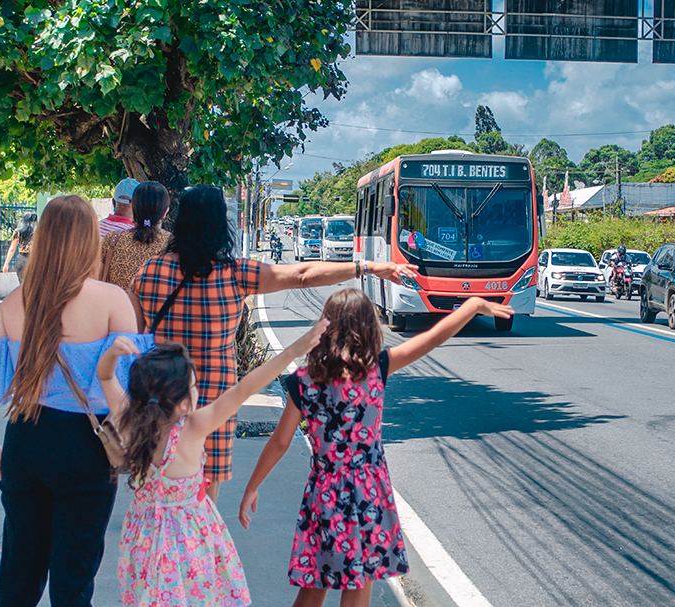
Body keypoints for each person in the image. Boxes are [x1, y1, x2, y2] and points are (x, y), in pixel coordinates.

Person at [129, 185, 417, 502]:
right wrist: (368, 267)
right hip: (216, 402)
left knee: (153, 493)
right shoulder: (236, 274)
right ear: (220, 224)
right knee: (204, 503)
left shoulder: (149, 273)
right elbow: (303, 274)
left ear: (180, 220)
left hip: (160, 401)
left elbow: (133, 340)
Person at [239, 289, 513, 607]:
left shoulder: (305, 381)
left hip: (325, 494)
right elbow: (433, 338)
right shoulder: (376, 368)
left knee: (315, 582)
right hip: (369, 491)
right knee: (360, 582)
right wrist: (472, 306)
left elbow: (280, 442)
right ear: (368, 328)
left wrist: (252, 487)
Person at [0, 196, 150, 607]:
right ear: (90, 241)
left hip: (25, 439)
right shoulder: (113, 300)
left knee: (18, 570)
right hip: (87, 447)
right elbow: (128, 388)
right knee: (73, 577)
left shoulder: (16, 301)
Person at [97, 321, 328, 607]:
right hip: (190, 537)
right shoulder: (193, 427)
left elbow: (105, 377)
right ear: (183, 403)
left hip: (145, 537)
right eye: (194, 387)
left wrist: (111, 355)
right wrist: (292, 351)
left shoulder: (129, 422)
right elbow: (244, 389)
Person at [100, 181, 172, 291]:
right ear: (165, 211)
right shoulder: (173, 244)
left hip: (115, 302)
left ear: (133, 207)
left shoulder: (112, 240)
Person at [1, 211, 37, 283]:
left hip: (22, 259)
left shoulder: (18, 232)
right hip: (35, 259)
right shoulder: (38, 232)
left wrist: (6, 263)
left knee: (22, 284)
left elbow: (12, 249)